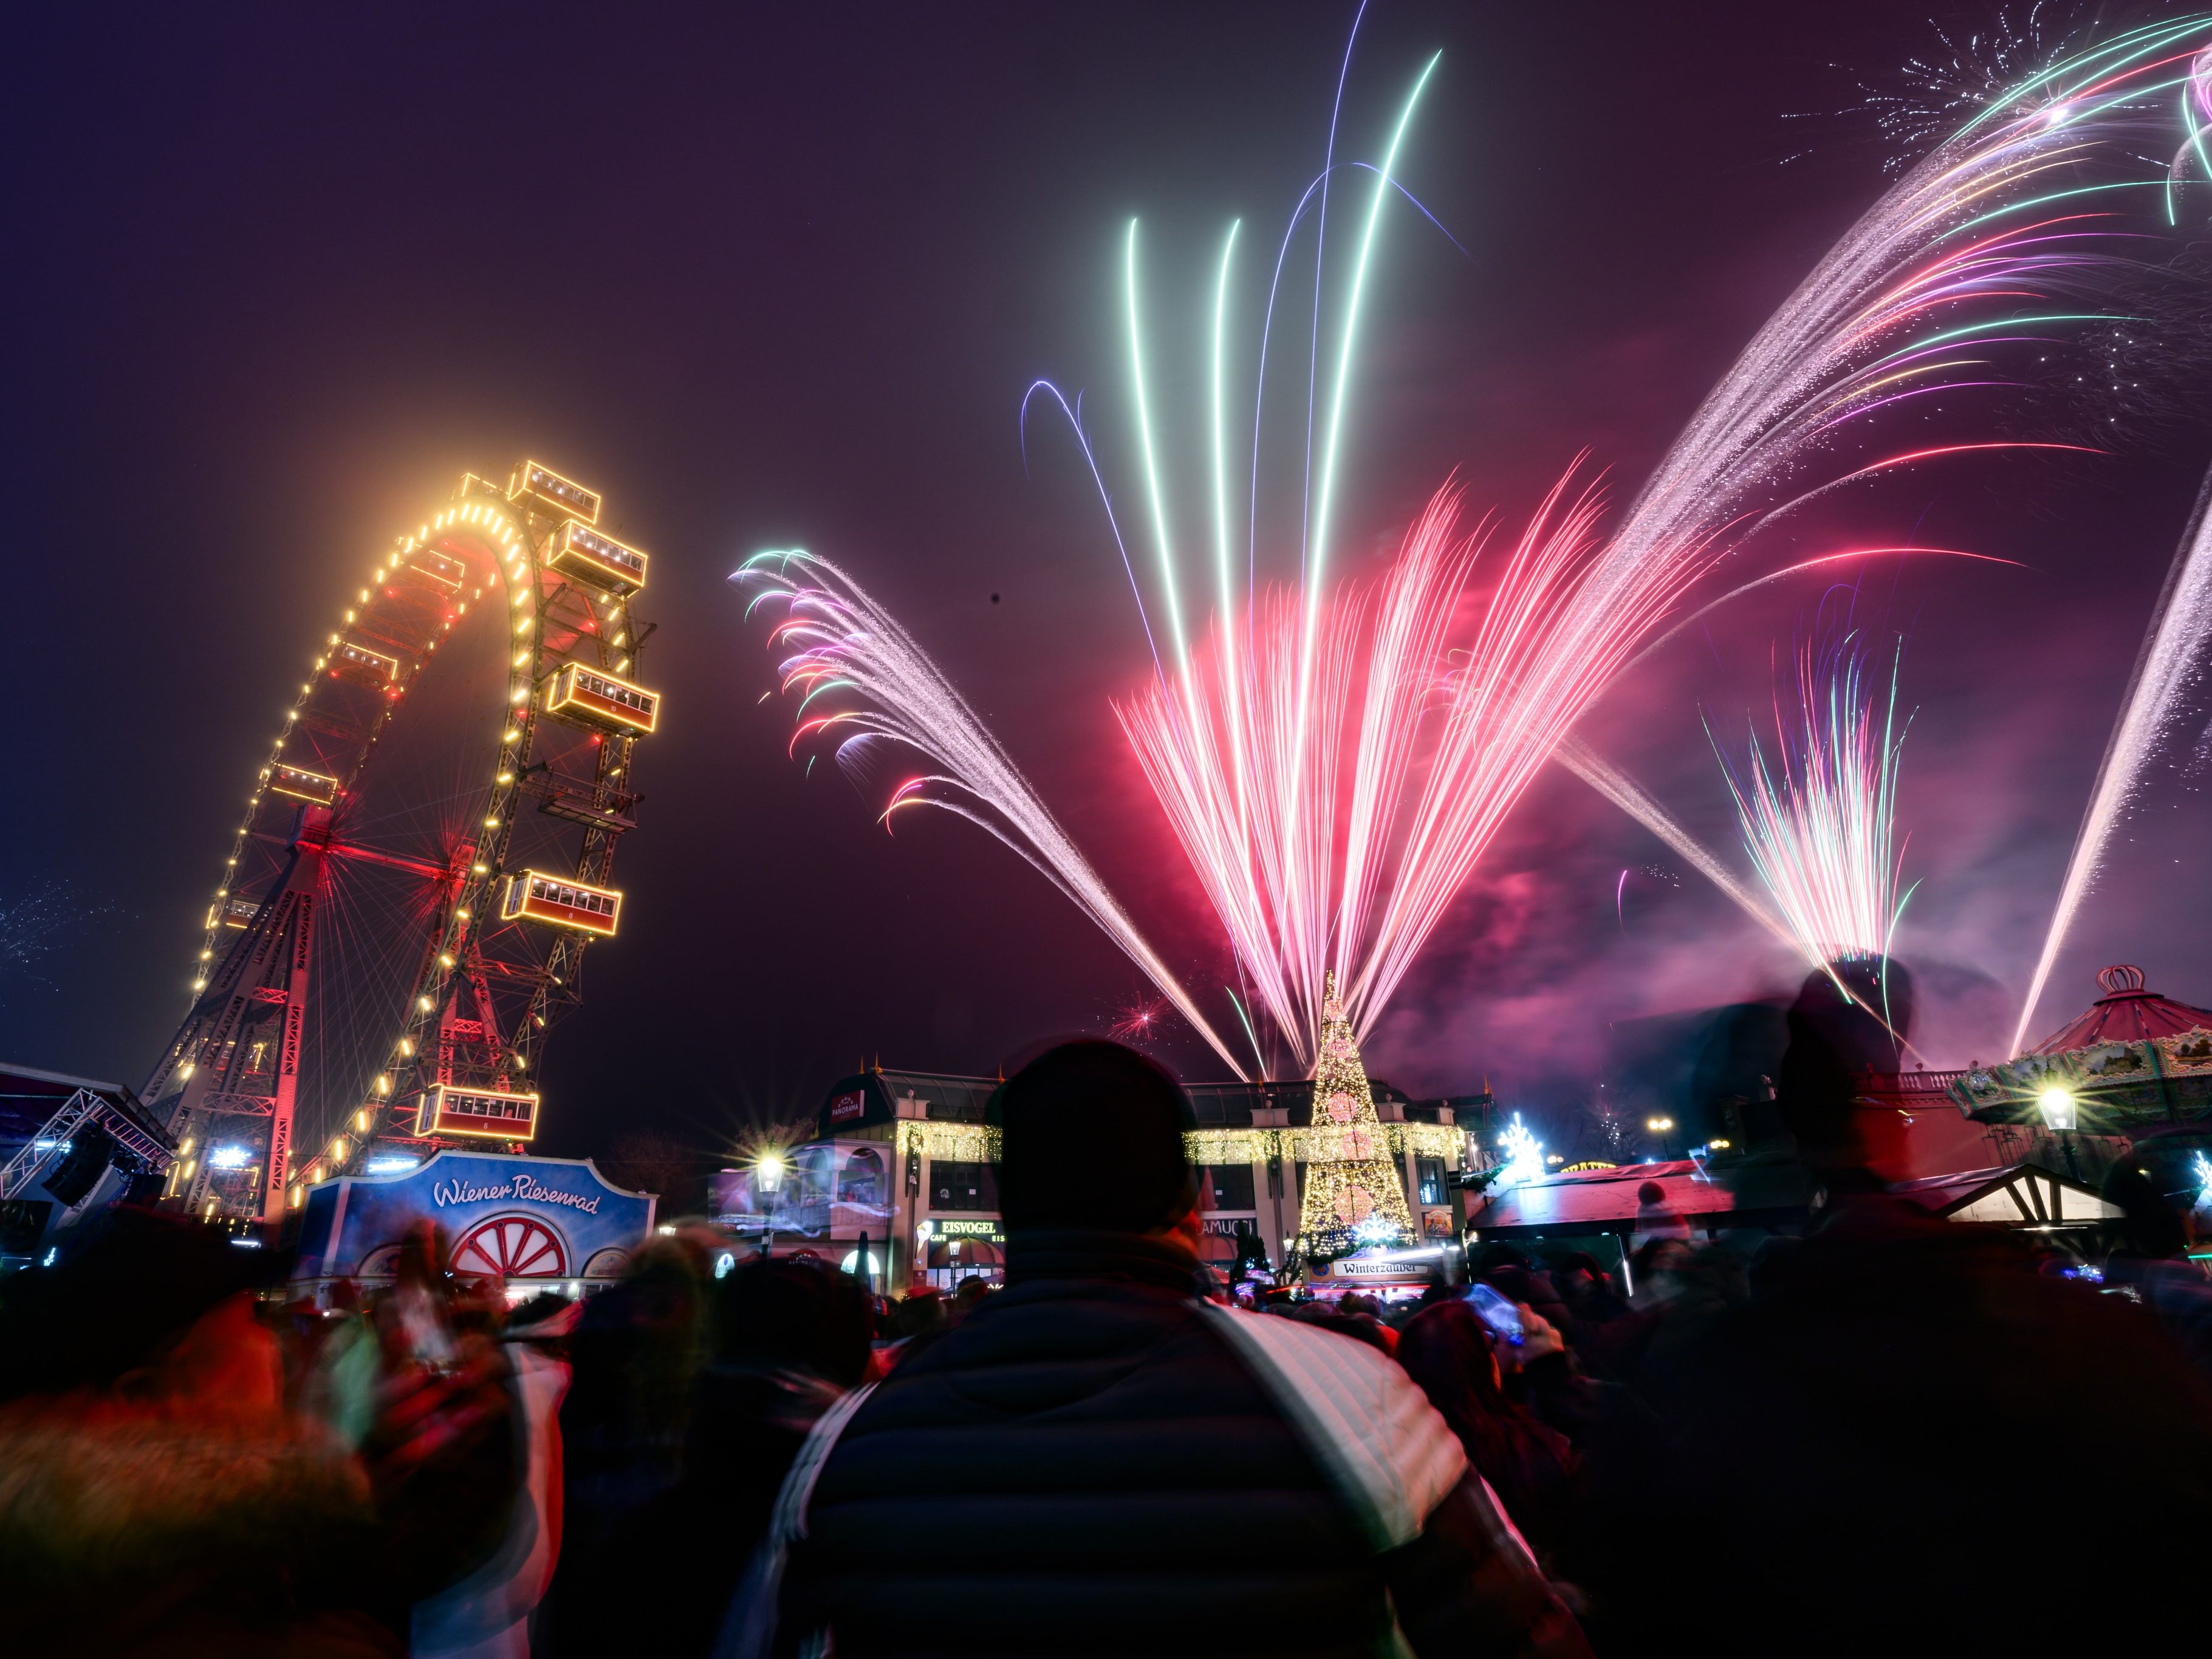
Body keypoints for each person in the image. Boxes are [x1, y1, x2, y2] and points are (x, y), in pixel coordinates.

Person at [772, 1040, 1591, 1657]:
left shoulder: (848, 1437)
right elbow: (1520, 1633)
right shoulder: (1353, 1393)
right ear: (1194, 1200)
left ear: (1003, 1200)